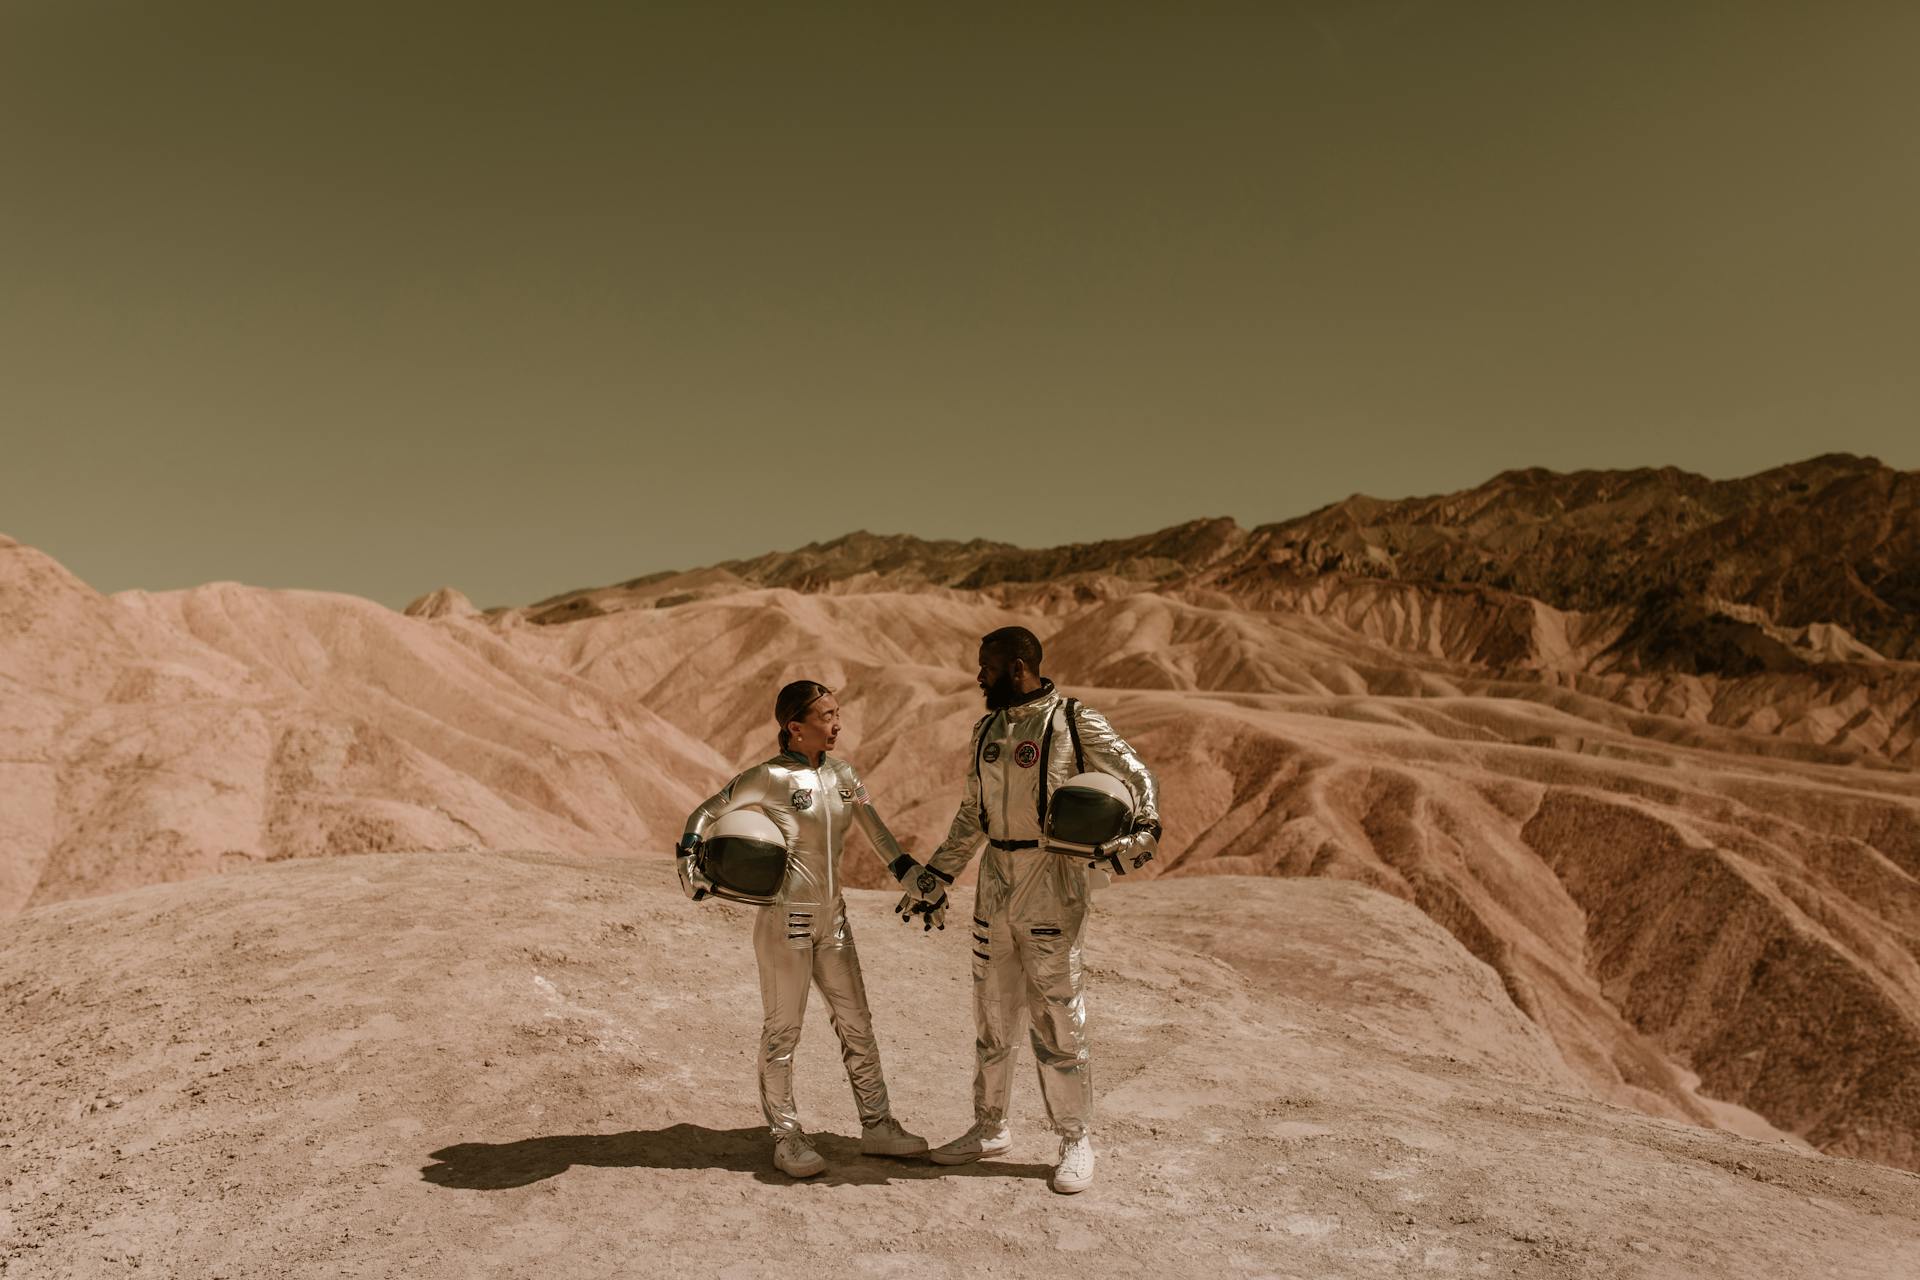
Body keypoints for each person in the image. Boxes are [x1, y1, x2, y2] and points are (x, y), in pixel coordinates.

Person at [894, 626, 1161, 1194]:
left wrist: (1142, 831)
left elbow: (1133, 772)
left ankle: (1075, 1138)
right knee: (991, 1015)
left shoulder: (1070, 720)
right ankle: (989, 1127)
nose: (978, 677)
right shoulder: (986, 730)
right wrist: (936, 876)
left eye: (986, 667)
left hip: (1051, 878)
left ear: (1017, 667)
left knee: (1057, 1016)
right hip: (995, 879)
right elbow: (972, 814)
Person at [676, 680, 931, 1178]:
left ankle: (878, 1126)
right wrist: (689, 862)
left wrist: (908, 873)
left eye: (839, 713)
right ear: (796, 727)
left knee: (858, 1024)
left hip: (833, 921)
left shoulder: (844, 775)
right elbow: (706, 811)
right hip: (783, 920)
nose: (837, 723)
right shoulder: (768, 777)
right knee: (783, 1033)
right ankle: (786, 1136)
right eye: (827, 715)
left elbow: (875, 828)